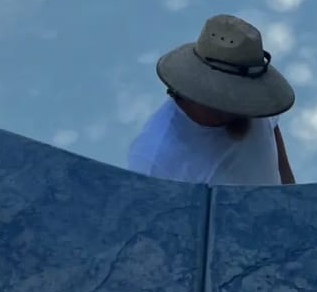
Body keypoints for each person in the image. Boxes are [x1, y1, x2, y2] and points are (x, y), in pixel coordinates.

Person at [127, 14, 296, 186]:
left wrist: (294, 204)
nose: (245, 106)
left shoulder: (258, 103)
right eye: (235, 93)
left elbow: (283, 173)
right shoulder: (154, 159)